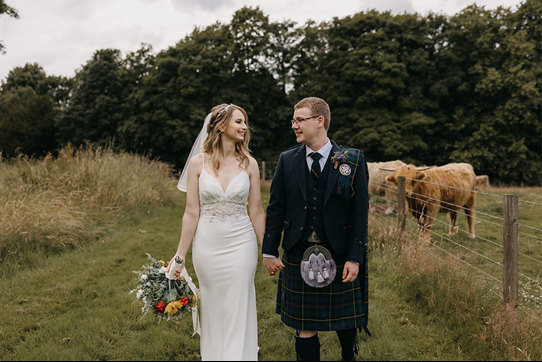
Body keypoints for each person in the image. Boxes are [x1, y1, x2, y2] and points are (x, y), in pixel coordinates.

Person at [262, 97, 369, 361]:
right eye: (293, 120)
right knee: (304, 325)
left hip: (341, 252)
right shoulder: (287, 160)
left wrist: (355, 257)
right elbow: (276, 209)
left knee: (345, 323)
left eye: (300, 120)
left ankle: (348, 355)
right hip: (298, 252)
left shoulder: (352, 160)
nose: (294, 125)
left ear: (319, 121)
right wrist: (268, 251)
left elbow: (360, 215)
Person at [167, 104, 265, 361]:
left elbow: (256, 211)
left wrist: (268, 251)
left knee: (238, 304)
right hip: (207, 245)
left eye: (245, 123)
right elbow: (191, 212)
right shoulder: (198, 163)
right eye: (239, 122)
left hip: (241, 242)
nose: (245, 127)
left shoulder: (250, 164)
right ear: (221, 126)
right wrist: (179, 256)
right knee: (212, 306)